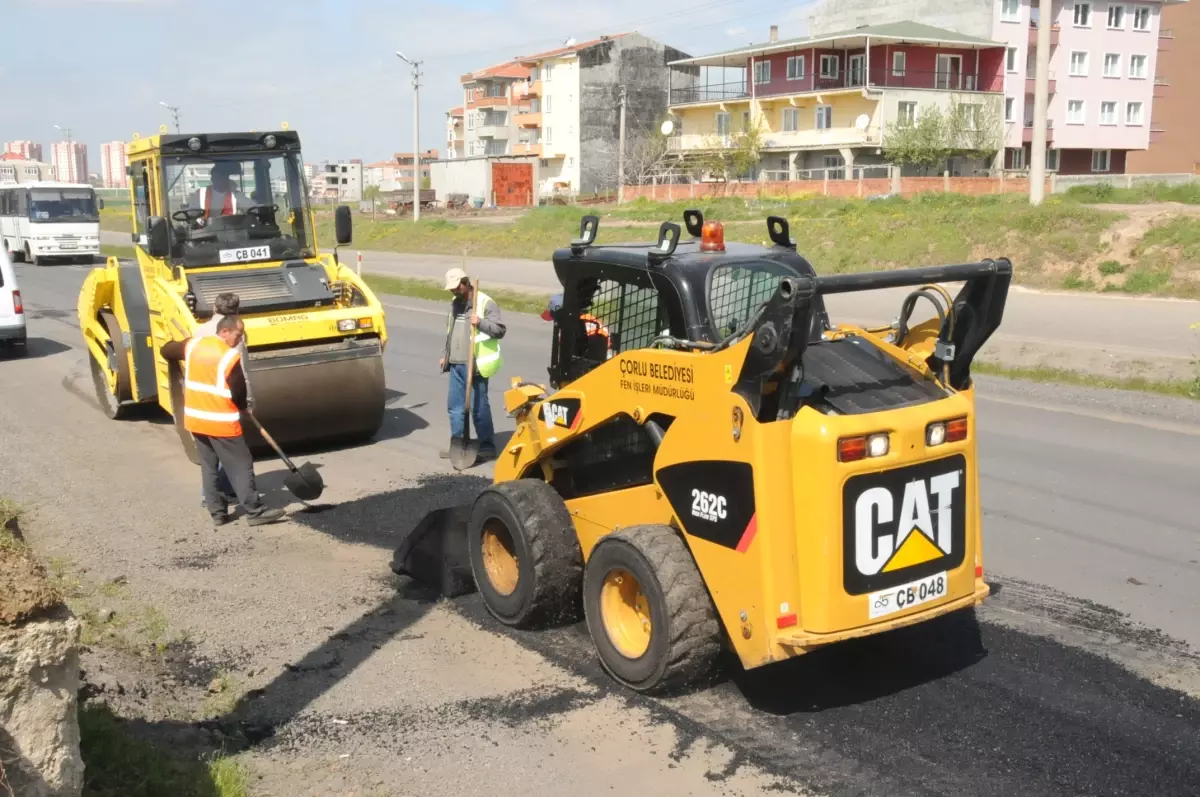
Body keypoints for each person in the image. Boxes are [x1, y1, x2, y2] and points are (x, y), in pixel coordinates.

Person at [161, 315, 285, 528]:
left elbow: (166, 350)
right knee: (241, 465)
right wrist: (243, 407)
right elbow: (238, 391)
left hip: (196, 420)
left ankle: (217, 513)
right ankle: (255, 511)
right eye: (238, 334)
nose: (240, 339)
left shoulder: (193, 346)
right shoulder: (229, 357)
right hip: (221, 422)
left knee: (209, 467)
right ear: (224, 331)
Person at [439, 267, 504, 460]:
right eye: (450, 289)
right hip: (456, 363)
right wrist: (446, 354)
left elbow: (500, 330)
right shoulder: (455, 303)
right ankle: (459, 445)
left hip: (475, 365)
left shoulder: (484, 303)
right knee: (455, 406)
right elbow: (451, 330)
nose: (453, 291)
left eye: (456, 287)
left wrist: (480, 322)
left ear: (465, 283)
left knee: (479, 407)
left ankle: (487, 446)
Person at [194, 292, 252, 507]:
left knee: (209, 456)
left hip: (199, 399)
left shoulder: (199, 331)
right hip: (223, 401)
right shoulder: (235, 333)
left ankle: (211, 496)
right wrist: (247, 403)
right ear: (237, 311)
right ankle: (233, 493)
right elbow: (240, 372)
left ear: (213, 309)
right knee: (232, 452)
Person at [188, 162, 253, 220]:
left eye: (222, 176)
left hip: (233, 230)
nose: (220, 180)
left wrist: (234, 192)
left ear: (227, 178)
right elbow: (191, 213)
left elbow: (253, 209)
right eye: (217, 177)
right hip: (207, 231)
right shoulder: (201, 194)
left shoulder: (236, 194)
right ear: (212, 179)